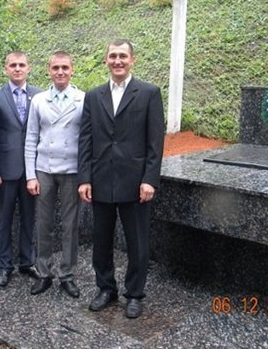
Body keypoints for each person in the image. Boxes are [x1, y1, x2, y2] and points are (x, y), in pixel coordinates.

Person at [77, 39, 165, 319]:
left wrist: (150, 179)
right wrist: (84, 178)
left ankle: (135, 294)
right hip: (101, 179)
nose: (118, 61)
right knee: (101, 239)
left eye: (123, 56)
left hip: (135, 182)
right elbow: (85, 139)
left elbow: (155, 141)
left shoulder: (149, 93)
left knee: (137, 241)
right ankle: (106, 288)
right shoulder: (94, 96)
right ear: (106, 60)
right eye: (113, 56)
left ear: (132, 60)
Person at [24, 51, 85, 298]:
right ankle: (44, 273)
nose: (60, 72)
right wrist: (30, 175)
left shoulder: (83, 99)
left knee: (70, 225)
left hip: (72, 169)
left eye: (65, 67)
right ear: (48, 70)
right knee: (44, 223)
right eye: (56, 68)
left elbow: (87, 139)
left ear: (72, 70)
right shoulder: (39, 100)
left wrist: (86, 176)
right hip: (44, 169)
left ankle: (67, 274)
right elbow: (31, 137)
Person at [0, 51, 42, 287]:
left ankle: (27, 261)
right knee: (4, 219)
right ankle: (4, 266)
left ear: (28, 68)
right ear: (6, 69)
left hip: (32, 170)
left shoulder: (39, 95)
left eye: (22, 65)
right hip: (5, 169)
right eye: (13, 65)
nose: (18, 68)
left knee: (29, 218)